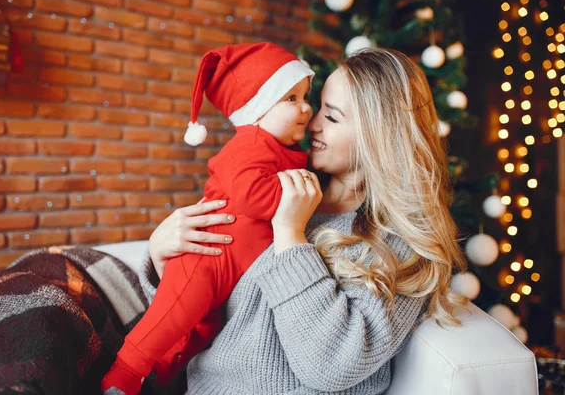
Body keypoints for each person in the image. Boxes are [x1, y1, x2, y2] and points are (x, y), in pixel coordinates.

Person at [141, 47, 469, 394]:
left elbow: (332, 367)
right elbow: (213, 311)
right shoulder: (274, 186)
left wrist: (289, 233)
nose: (311, 122)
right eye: (319, 105)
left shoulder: (397, 240)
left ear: (378, 135)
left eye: (333, 116)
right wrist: (163, 259)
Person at [102, 42, 315, 394]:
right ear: (257, 109)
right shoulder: (250, 145)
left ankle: (163, 382)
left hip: (229, 268)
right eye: (290, 99)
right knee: (169, 320)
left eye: (306, 96)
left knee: (196, 335)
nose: (306, 108)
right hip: (206, 259)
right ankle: (124, 373)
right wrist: (295, 196)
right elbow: (252, 196)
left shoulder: (283, 151)